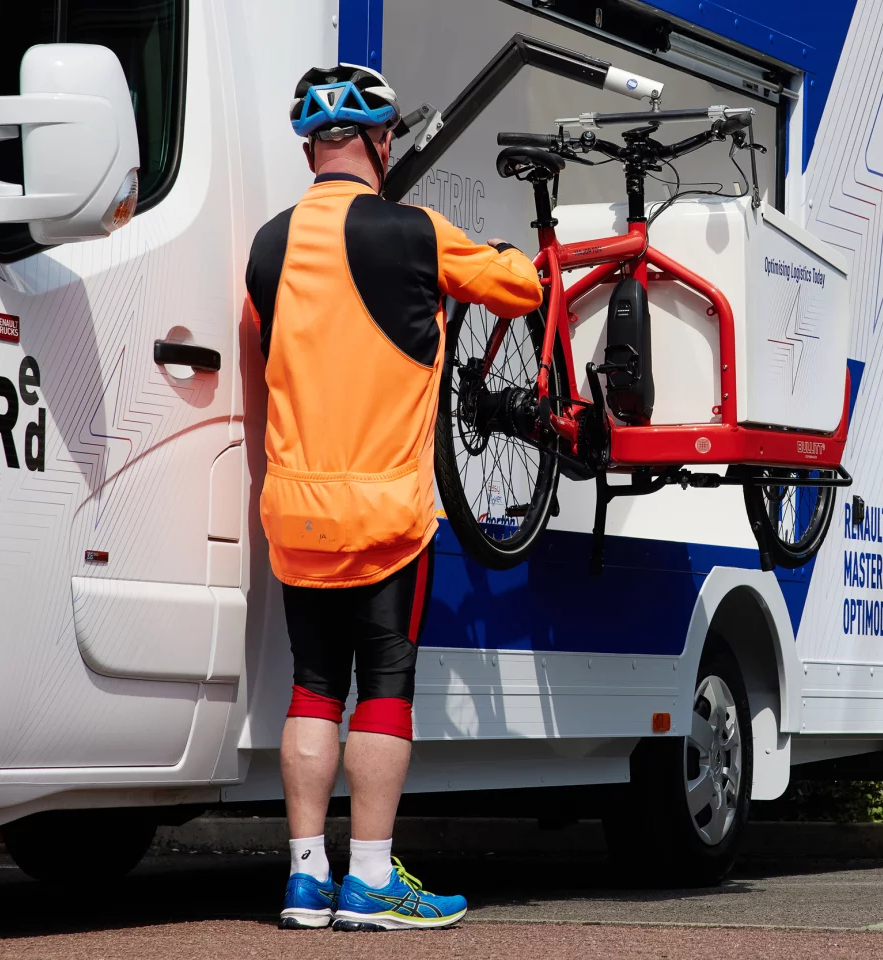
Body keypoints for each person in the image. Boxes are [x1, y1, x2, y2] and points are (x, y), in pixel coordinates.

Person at [244, 64, 543, 931]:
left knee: (309, 687)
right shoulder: (414, 231)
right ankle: (370, 878)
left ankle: (305, 878)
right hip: (386, 514)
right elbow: (517, 289)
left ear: (311, 147)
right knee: (384, 681)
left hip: (296, 510)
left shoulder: (268, 244)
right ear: (382, 142)